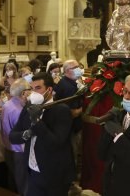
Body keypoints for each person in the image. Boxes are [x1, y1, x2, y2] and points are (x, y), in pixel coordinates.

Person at [9, 72, 75, 196]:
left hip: (54, 174)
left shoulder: (61, 110)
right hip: (33, 171)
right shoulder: (28, 108)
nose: (33, 93)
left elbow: (56, 143)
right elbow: (12, 136)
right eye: (32, 89)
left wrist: (37, 121)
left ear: (49, 90)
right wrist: (26, 134)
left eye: (38, 88)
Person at [54, 60, 84, 193]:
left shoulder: (68, 82)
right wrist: (84, 109)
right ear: (66, 71)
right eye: (75, 67)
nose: (78, 69)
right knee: (71, 154)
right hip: (70, 128)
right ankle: (71, 184)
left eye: (78, 66)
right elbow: (72, 112)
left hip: (68, 128)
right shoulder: (68, 87)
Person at [1, 78, 31, 194]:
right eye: (30, 89)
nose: (31, 91)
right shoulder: (19, 111)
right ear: (23, 93)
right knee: (23, 183)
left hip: (8, 148)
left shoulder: (7, 104)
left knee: (13, 180)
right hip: (19, 151)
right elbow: (23, 134)